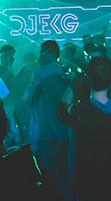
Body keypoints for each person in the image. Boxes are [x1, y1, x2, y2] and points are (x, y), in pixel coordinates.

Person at [56, 55, 111, 201]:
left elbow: (61, 110)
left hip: (90, 183)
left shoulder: (80, 111)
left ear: (89, 80)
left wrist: (79, 78)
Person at [25, 40, 71, 198]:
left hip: (43, 132)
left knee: (44, 174)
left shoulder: (40, 72)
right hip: (63, 132)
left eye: (43, 52)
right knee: (63, 174)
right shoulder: (68, 73)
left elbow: (30, 100)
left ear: (52, 54)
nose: (40, 55)